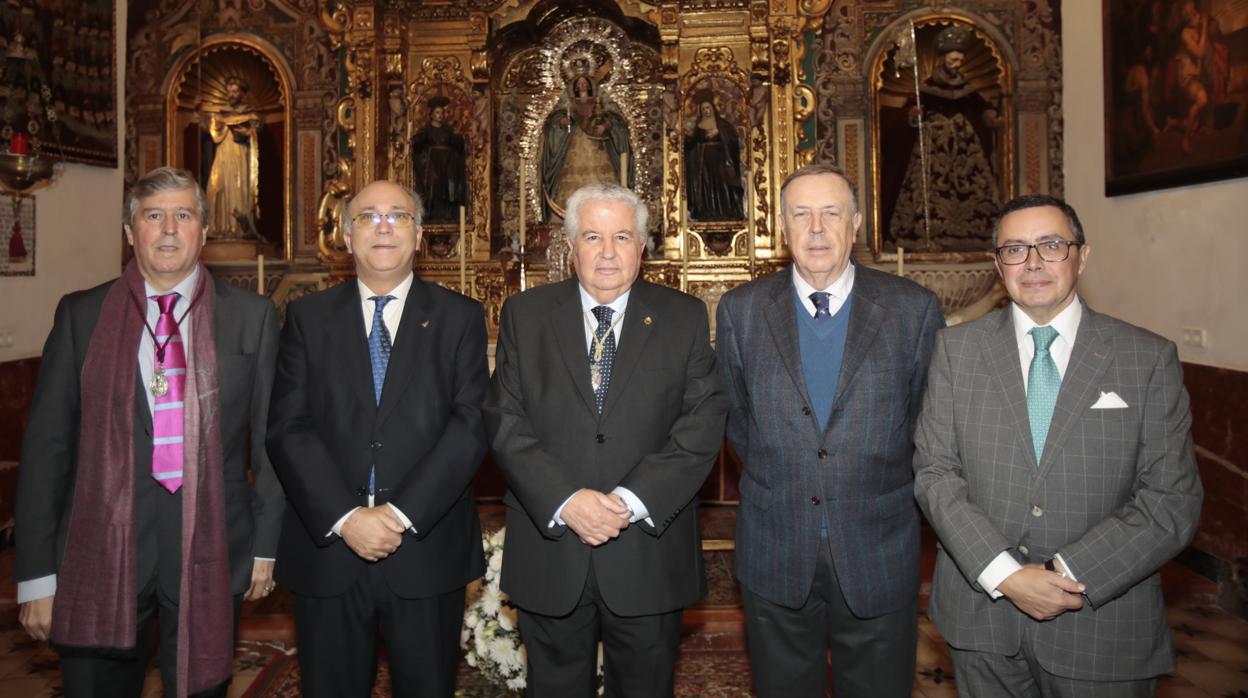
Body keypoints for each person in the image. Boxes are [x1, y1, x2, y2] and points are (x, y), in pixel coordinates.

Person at [913, 194, 1203, 696]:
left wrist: (1064, 574)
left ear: (1082, 256)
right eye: (1015, 249)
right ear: (997, 264)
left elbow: (1170, 501)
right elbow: (936, 473)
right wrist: (1005, 574)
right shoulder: (956, 351)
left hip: (1101, 622)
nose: (1033, 263)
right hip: (984, 622)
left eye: (1051, 245)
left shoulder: (1145, 359)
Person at [14, 166, 284, 697]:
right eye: (152, 215)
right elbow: (47, 451)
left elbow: (271, 441)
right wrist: (37, 575)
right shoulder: (81, 316)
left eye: (183, 215)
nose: (167, 229)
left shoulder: (250, 318)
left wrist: (266, 547)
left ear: (203, 231)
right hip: (98, 556)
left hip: (211, 550)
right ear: (129, 230)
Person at [484, 182, 728, 697]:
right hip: (551, 548)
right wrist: (566, 500)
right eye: (593, 236)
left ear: (643, 246)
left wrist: (629, 501)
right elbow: (504, 420)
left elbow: (702, 422)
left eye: (622, 236)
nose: (608, 252)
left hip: (647, 551)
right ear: (569, 246)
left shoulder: (682, 317)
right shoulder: (524, 315)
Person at [715, 163, 944, 698]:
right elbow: (736, 418)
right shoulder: (741, 311)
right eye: (801, 214)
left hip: (878, 546)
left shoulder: (912, 310)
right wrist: (789, 471)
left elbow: (926, 422)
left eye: (831, 213)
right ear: (783, 229)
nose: (816, 228)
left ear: (856, 224)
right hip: (776, 543)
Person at [267, 179, 487, 697]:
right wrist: (347, 519)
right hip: (329, 551)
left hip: (426, 549)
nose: (383, 226)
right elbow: (287, 427)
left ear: (417, 236)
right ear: (346, 237)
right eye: (368, 216)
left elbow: (471, 424)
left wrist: (396, 515)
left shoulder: (460, 317)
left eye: (398, 216)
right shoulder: (307, 318)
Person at [887, 24, 1001, 252]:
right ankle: (924, 234)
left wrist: (989, 115)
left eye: (959, 60)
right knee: (925, 192)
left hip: (964, 154)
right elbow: (908, 112)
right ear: (942, 59)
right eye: (952, 59)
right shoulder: (927, 88)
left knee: (973, 189)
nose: (956, 63)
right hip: (932, 151)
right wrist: (913, 114)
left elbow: (980, 105)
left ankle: (974, 233)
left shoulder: (966, 88)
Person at [540, 74, 632, 221]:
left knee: (599, 182)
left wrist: (605, 124)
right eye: (579, 84)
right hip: (575, 148)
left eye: (585, 84)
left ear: (590, 86)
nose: (582, 87)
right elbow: (554, 119)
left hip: (598, 148)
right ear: (575, 88)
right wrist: (563, 121)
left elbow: (614, 119)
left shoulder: (599, 101)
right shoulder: (569, 102)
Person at [203, 77, 261, 239]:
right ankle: (218, 228)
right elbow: (212, 133)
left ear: (242, 94)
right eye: (229, 91)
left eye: (235, 91)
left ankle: (238, 228)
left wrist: (247, 132)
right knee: (215, 187)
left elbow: (255, 132)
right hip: (222, 154)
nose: (231, 95)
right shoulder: (220, 114)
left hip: (239, 155)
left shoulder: (249, 112)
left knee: (237, 186)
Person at [684, 93, 744, 222]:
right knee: (707, 186)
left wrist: (720, 133)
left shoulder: (723, 125)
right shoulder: (698, 126)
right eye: (704, 108)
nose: (707, 111)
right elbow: (690, 145)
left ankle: (725, 211)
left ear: (713, 108)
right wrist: (687, 136)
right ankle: (707, 212)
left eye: (708, 107)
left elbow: (733, 139)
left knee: (723, 185)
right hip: (704, 162)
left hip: (721, 160)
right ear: (700, 110)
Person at [410, 95, 467, 223]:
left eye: (442, 112)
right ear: (431, 114)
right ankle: (431, 213)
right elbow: (417, 145)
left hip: (448, 165)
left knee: (448, 190)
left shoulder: (448, 130)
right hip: (432, 165)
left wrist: (458, 137)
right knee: (433, 188)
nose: (440, 115)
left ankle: (447, 214)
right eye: (437, 112)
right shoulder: (427, 130)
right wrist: (412, 142)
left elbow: (458, 146)